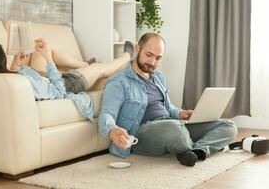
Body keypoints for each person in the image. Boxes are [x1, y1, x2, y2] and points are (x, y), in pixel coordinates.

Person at [98, 33, 238, 167]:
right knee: (176, 129)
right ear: (137, 49)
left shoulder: (158, 76)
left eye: (158, 58)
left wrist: (181, 114)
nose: (153, 62)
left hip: (171, 125)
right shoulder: (118, 81)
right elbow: (106, 114)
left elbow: (168, 108)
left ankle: (196, 151)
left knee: (228, 126)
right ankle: (196, 144)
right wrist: (112, 130)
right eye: (149, 55)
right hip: (143, 133)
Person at [0, 39, 131, 121]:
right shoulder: (23, 83)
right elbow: (59, 91)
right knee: (99, 68)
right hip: (66, 84)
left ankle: (83, 65)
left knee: (41, 46)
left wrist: (15, 65)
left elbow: (23, 80)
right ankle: (128, 56)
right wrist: (49, 60)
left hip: (43, 80)